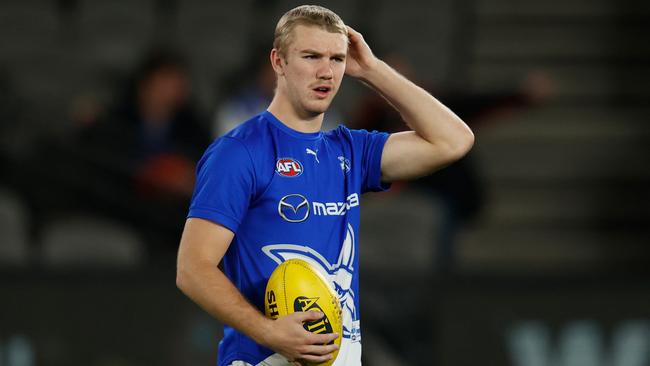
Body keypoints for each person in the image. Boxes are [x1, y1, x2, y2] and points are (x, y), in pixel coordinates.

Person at [176, 5, 474, 366]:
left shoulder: (349, 150)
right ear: (278, 61)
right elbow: (193, 269)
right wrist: (269, 332)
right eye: (311, 56)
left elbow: (453, 141)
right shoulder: (239, 152)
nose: (325, 72)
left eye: (336, 59)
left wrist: (373, 70)